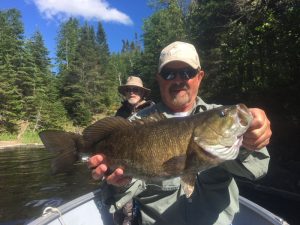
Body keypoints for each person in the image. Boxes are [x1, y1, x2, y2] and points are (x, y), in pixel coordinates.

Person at [88, 41, 272, 225]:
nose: (178, 80)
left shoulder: (219, 116)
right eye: (169, 73)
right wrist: (119, 183)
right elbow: (116, 195)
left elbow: (257, 170)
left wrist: (253, 139)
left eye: (187, 72)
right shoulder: (135, 127)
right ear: (159, 79)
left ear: (199, 77)